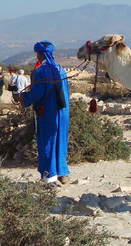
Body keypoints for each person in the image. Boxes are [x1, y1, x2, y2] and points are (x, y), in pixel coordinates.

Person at [20, 41, 70, 187]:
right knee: (61, 140)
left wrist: (23, 98)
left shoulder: (39, 71)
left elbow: (37, 93)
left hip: (47, 113)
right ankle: (62, 173)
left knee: (47, 142)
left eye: (37, 53)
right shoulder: (62, 69)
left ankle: (49, 178)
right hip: (63, 113)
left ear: (40, 54)